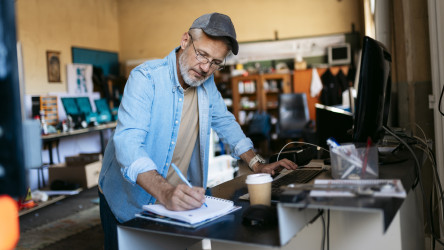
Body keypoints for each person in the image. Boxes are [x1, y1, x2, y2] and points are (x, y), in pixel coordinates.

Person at [98, 12, 298, 249]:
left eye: (216, 63)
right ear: (185, 41)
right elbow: (128, 145)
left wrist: (256, 163)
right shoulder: (146, 78)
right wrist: (165, 192)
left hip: (173, 203)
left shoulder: (206, 83)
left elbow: (224, 121)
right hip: (127, 200)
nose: (205, 68)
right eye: (202, 54)